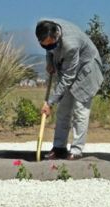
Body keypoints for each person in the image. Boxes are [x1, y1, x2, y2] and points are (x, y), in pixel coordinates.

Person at [36, 19, 104, 160]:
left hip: (86, 70)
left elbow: (68, 76)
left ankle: (76, 150)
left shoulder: (70, 45)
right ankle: (59, 147)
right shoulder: (44, 26)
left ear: (57, 36)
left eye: (52, 44)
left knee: (80, 110)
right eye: (45, 46)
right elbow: (50, 50)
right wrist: (50, 62)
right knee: (63, 110)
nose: (48, 47)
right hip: (67, 68)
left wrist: (49, 103)